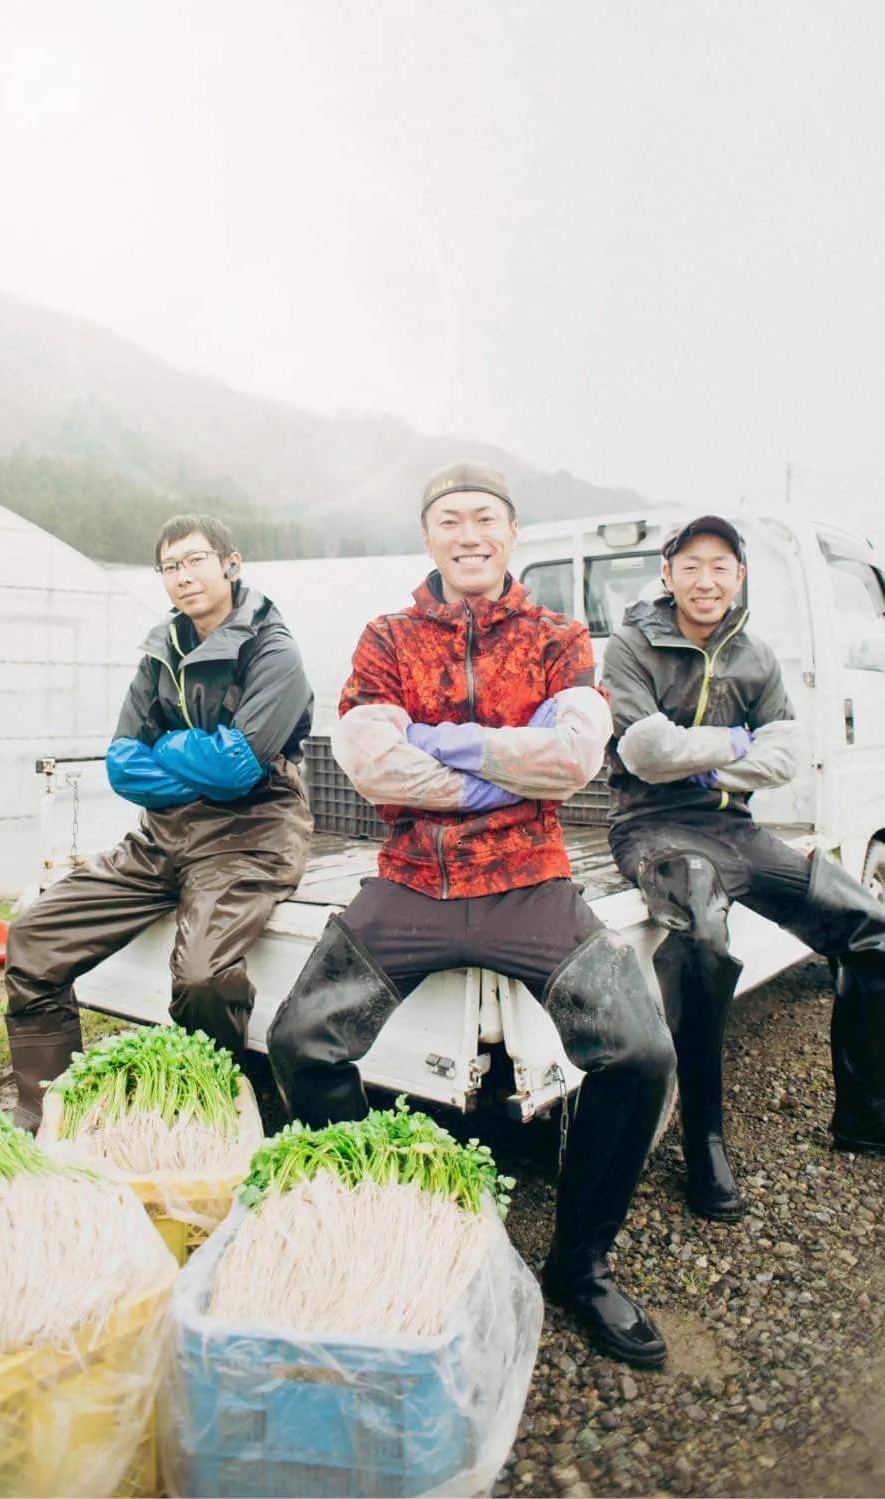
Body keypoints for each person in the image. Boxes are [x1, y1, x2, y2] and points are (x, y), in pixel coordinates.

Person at [267, 460, 676, 1369]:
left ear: (511, 531)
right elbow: (370, 762)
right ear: (429, 535)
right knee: (301, 1041)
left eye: (484, 516)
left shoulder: (560, 637)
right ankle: (377, 1222)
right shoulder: (387, 637)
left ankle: (581, 1265)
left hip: (529, 879)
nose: (469, 533)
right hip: (413, 878)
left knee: (641, 1053)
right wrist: (502, 769)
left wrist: (438, 744)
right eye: (450, 518)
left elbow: (573, 759)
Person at [602, 514, 885, 1223]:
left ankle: (867, 1115)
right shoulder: (632, 644)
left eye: (721, 566)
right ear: (667, 575)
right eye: (691, 566)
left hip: (736, 829)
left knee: (871, 927)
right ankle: (705, 1142)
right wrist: (736, 741)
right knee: (703, 941)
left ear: (740, 576)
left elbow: (786, 754)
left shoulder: (755, 654)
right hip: (653, 827)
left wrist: (698, 759)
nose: (706, 580)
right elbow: (644, 753)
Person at [4, 513, 313, 1130]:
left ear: (230, 564)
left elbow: (237, 770)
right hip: (163, 836)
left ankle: (219, 1110)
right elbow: (123, 764)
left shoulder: (273, 651)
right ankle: (47, 1113)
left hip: (249, 837)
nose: (183, 576)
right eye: (170, 566)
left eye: (196, 560)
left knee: (201, 977)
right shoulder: (161, 650)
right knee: (34, 937)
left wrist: (168, 748)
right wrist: (199, 758)